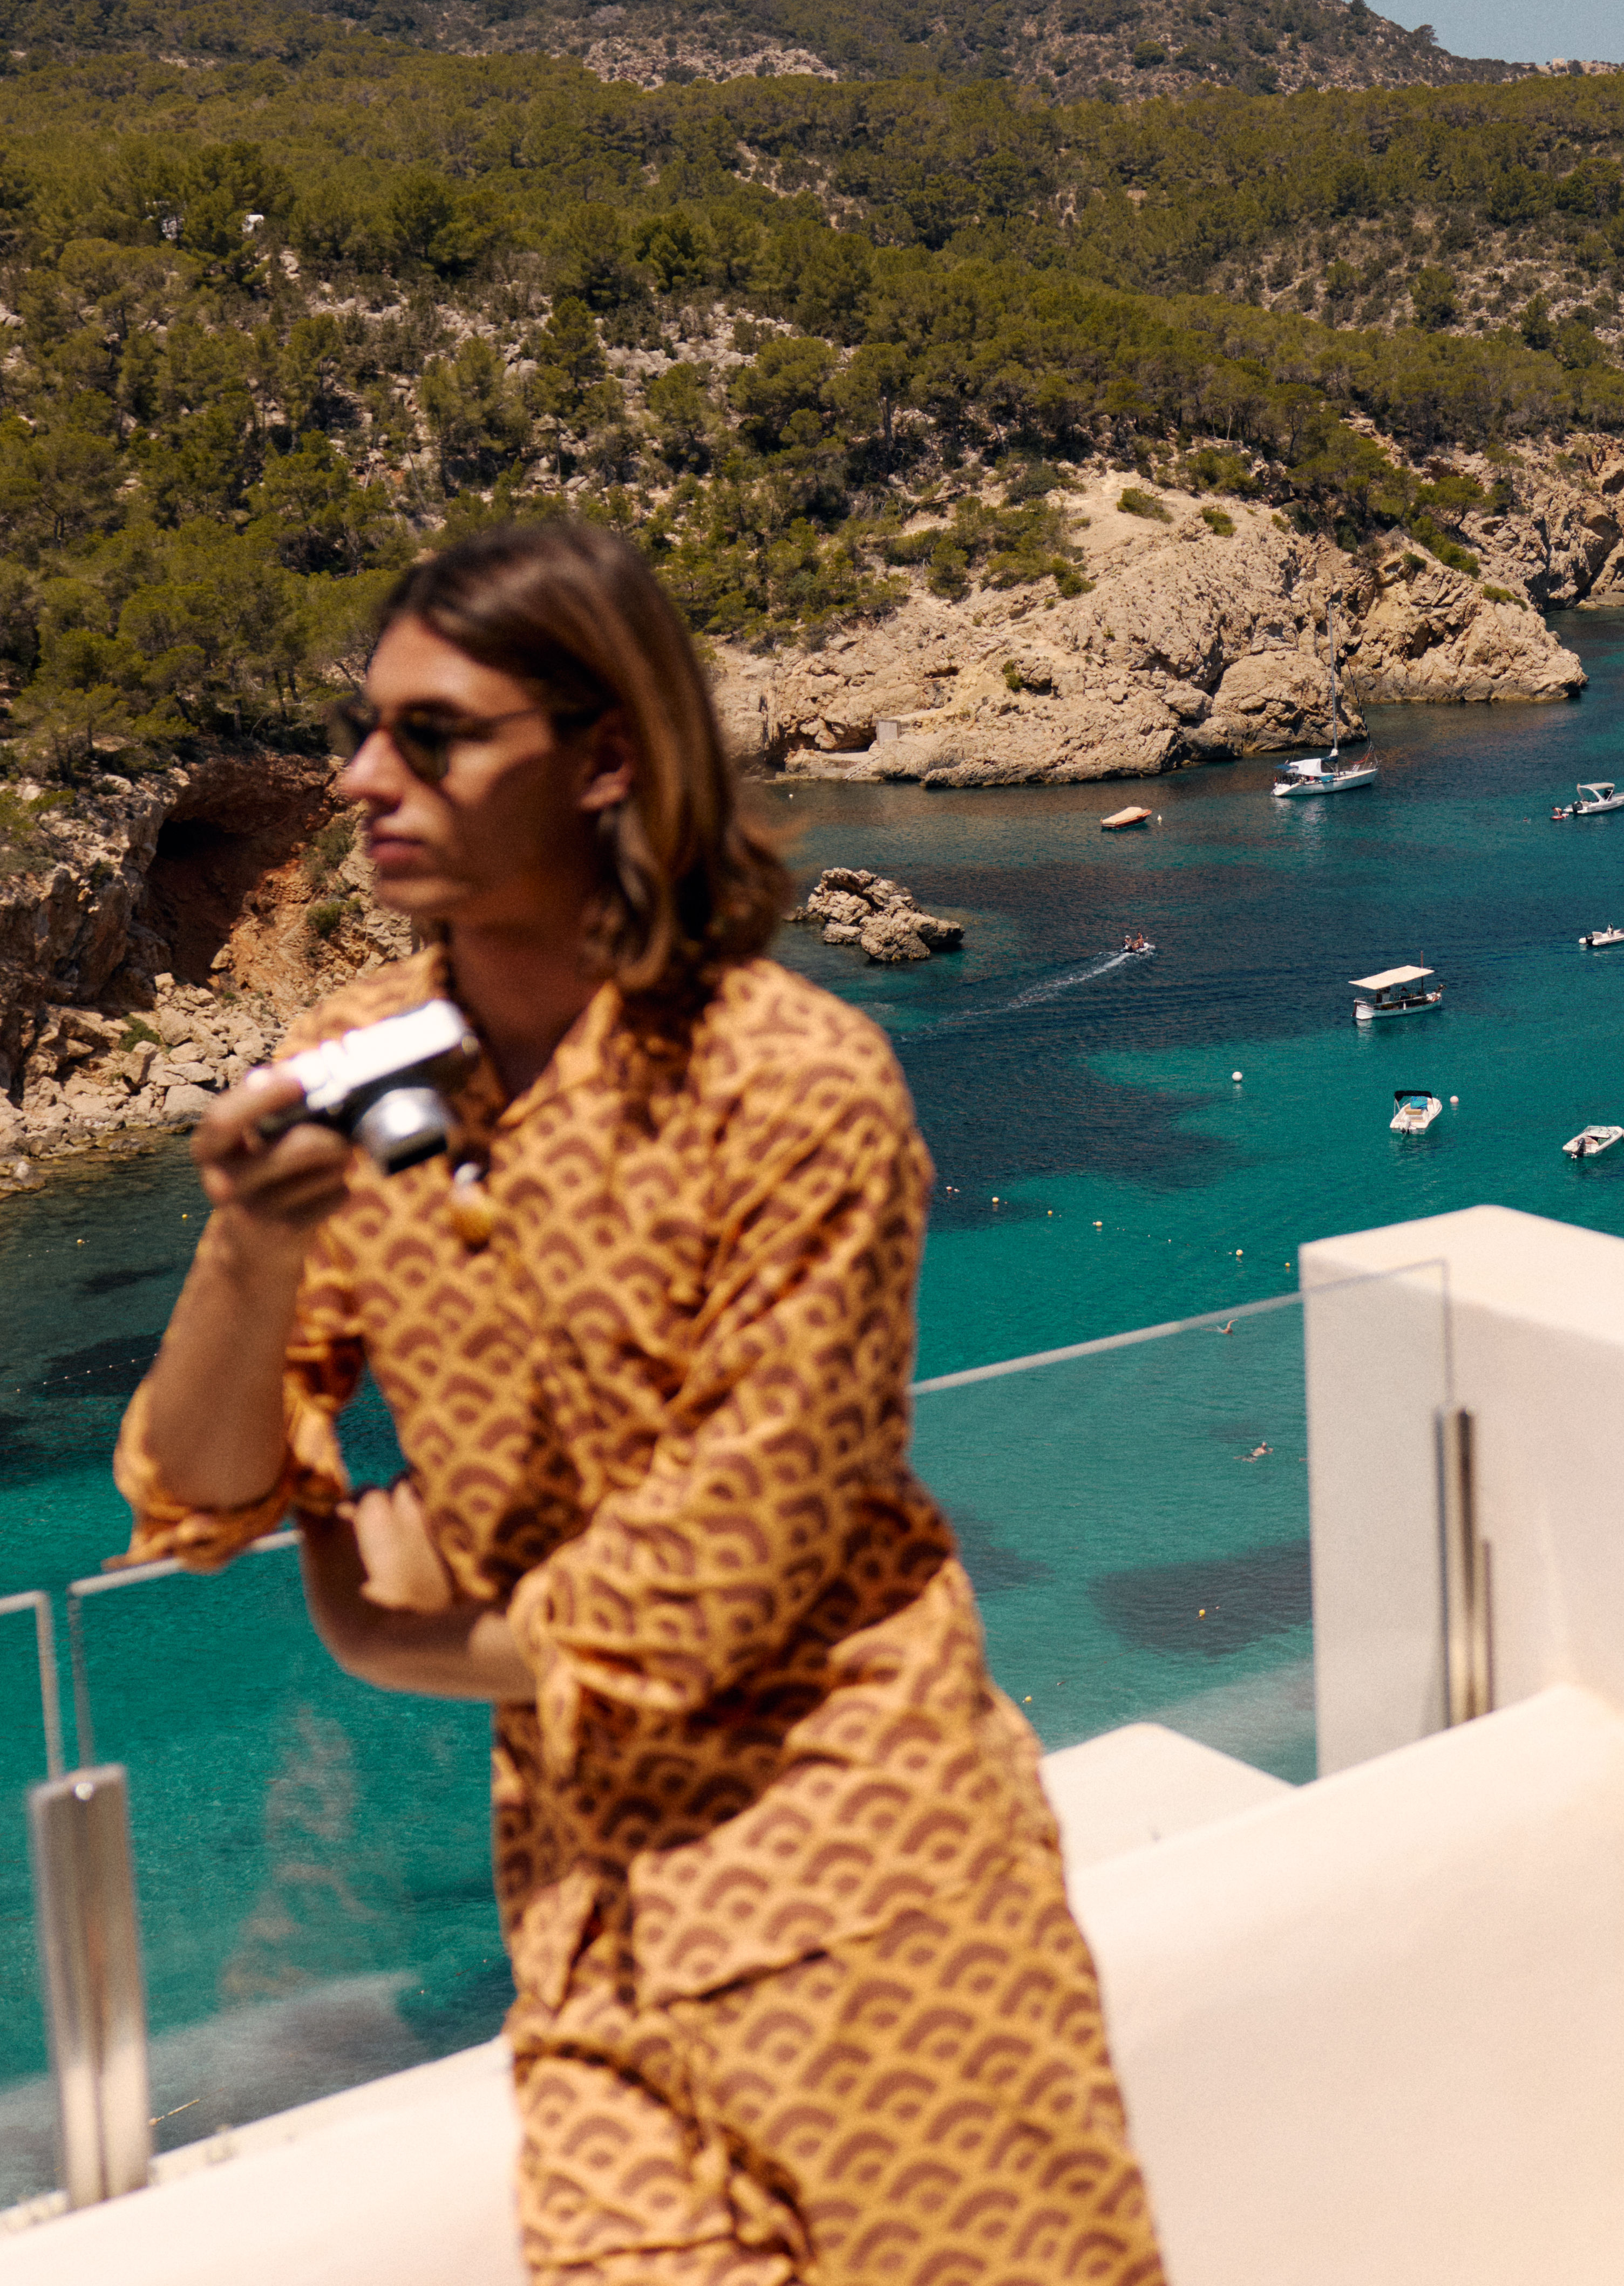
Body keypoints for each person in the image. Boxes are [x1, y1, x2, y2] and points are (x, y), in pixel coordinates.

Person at [117, 522, 1167, 2286]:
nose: (364, 778)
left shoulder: (792, 1084)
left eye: (435, 736)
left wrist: (391, 1644)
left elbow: (719, 1577)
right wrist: (246, 1250)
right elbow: (200, 1498)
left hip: (878, 1895)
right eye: (368, 729)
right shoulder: (368, 1075)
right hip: (591, 1909)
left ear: (606, 759)